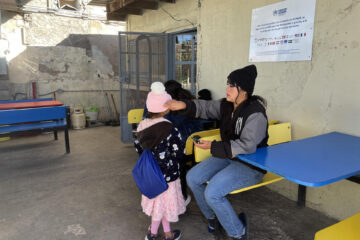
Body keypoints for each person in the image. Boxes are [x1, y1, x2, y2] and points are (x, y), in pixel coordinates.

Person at [164, 65, 268, 240]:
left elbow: (247, 146)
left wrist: (212, 147)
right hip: (228, 156)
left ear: (244, 90)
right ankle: (213, 217)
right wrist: (182, 104)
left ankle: (238, 232)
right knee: (193, 178)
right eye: (227, 84)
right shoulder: (227, 105)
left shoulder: (255, 112)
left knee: (212, 192)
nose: (227, 89)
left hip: (251, 164)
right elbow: (205, 107)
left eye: (231, 86)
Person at [134, 82, 185, 240]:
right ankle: (153, 234)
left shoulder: (142, 125)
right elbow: (178, 151)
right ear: (165, 108)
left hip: (151, 175)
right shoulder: (169, 128)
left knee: (159, 206)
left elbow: (138, 147)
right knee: (162, 207)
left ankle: (167, 233)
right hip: (168, 176)